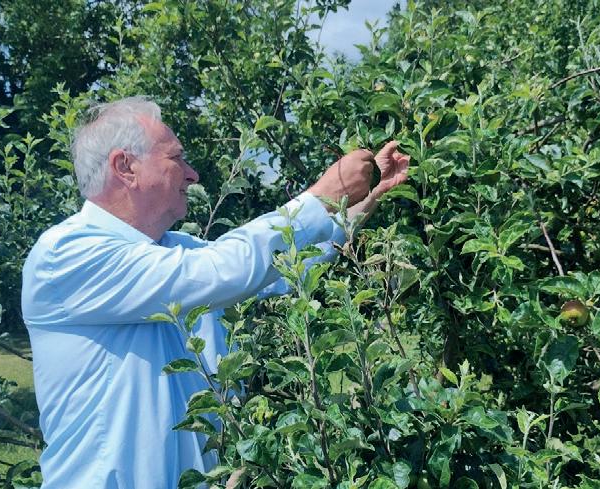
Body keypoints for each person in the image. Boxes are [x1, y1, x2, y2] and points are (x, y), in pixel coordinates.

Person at [21, 96, 410, 489]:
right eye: (177, 158)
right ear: (125, 167)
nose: (192, 175)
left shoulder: (172, 251)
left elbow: (282, 268)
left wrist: (367, 196)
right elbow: (224, 269)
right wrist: (320, 197)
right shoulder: (67, 255)